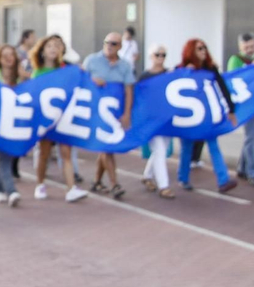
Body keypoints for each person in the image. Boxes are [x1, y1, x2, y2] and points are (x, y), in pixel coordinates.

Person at [28, 34, 89, 202]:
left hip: (64, 118)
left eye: (57, 45)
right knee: (44, 154)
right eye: (49, 46)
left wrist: (82, 74)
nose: (53, 48)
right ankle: (40, 184)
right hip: (46, 119)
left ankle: (71, 189)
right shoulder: (38, 72)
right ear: (42, 51)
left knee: (66, 153)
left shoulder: (66, 69)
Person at [175, 39, 238, 193]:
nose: (203, 51)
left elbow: (223, 88)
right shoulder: (181, 68)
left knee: (213, 145)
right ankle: (183, 178)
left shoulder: (210, 69)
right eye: (199, 49)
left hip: (208, 115)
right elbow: (173, 87)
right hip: (190, 116)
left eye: (204, 48)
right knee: (187, 147)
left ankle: (223, 180)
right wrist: (186, 71)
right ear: (191, 52)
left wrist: (230, 110)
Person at [82, 31, 134, 199]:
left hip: (114, 112)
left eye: (114, 44)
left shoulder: (124, 65)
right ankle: (114, 184)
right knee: (107, 147)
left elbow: (129, 90)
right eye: (107, 42)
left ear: (120, 47)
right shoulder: (92, 60)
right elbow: (79, 80)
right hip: (96, 111)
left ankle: (96, 181)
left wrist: (127, 113)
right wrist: (92, 82)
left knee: (105, 146)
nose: (109, 46)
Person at [224, 32, 254, 187]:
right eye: (246, 47)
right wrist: (253, 66)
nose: (250, 49)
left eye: (252, 46)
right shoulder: (235, 60)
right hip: (245, 104)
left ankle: (241, 168)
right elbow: (233, 79)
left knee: (252, 137)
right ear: (240, 47)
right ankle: (253, 173)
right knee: (250, 137)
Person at [0, 44, 25, 207]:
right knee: (4, 157)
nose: (8, 58)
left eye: (11, 55)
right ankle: (11, 191)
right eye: (5, 55)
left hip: (15, 123)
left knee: (7, 156)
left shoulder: (21, 76)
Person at [139, 46, 176, 199]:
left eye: (163, 54)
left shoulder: (170, 73)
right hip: (151, 120)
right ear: (151, 56)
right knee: (160, 149)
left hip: (166, 119)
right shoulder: (144, 76)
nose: (161, 57)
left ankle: (147, 176)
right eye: (157, 54)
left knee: (161, 150)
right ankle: (164, 186)